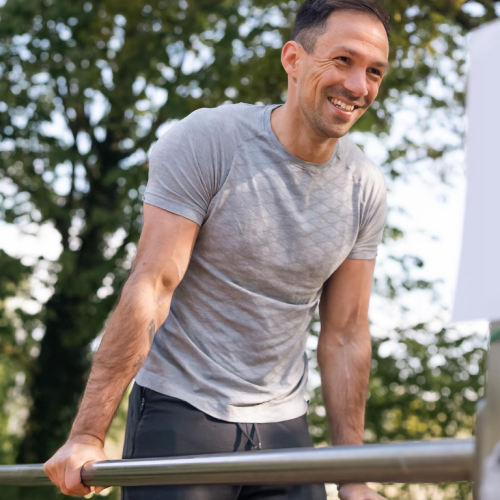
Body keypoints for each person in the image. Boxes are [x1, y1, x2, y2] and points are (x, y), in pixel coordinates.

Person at [44, 0, 391, 498]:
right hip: (181, 409)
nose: (358, 86)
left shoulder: (364, 186)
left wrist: (353, 476)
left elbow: (346, 333)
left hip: (284, 426)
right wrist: (86, 435)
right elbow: (153, 285)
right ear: (293, 59)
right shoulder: (210, 141)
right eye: (343, 60)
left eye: (373, 71)